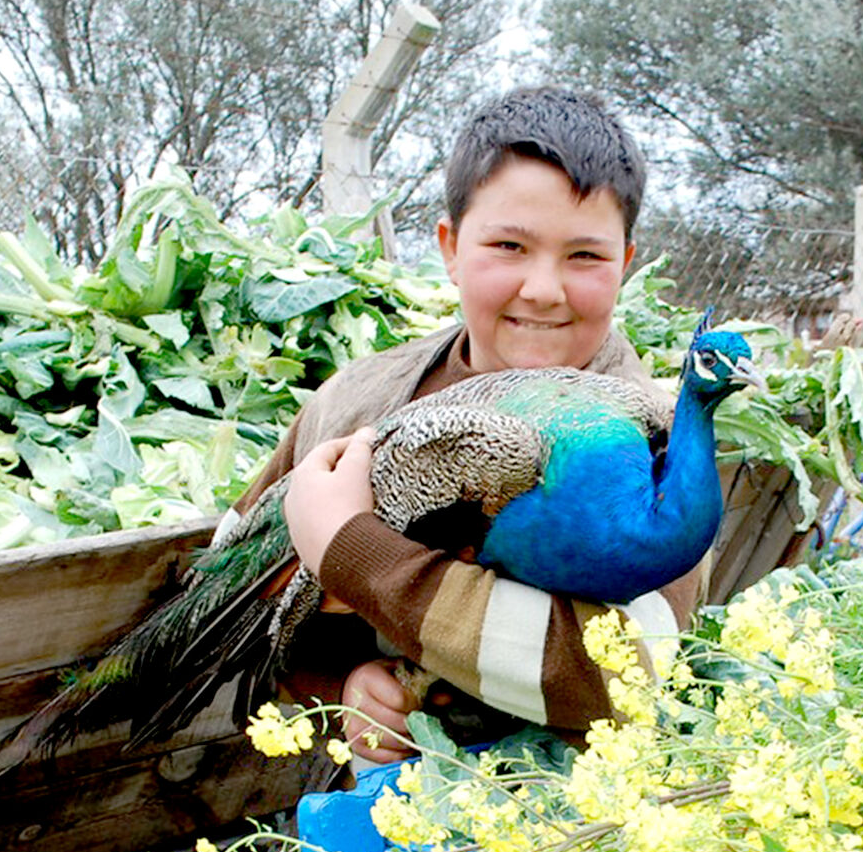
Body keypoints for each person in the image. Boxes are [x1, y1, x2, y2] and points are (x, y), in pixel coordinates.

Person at [234, 86, 702, 764]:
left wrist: (355, 552)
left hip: (563, 811)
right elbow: (241, 594)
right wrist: (342, 687)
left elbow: (625, 672)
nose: (543, 289)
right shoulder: (358, 399)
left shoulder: (659, 442)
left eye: (585, 256)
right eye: (509, 245)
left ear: (625, 265)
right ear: (450, 248)